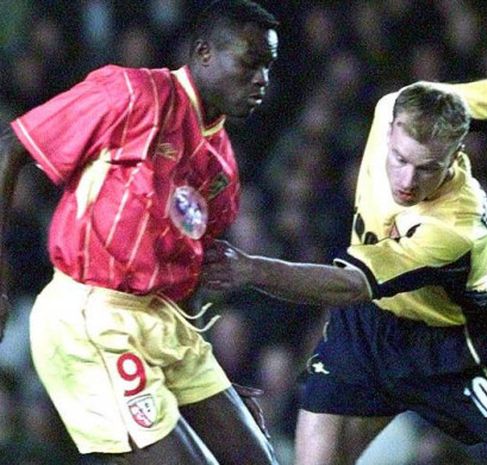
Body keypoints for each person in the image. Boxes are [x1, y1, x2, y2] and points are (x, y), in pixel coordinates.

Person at [202, 78, 487, 464]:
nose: (408, 180)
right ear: (392, 127)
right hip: (365, 330)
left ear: (456, 151)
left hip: (446, 349)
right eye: (399, 159)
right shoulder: (401, 107)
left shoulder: (457, 223)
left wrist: (250, 269)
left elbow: (351, 284)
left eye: (428, 168)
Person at [0, 1, 281, 464]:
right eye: (251, 63)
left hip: (164, 323)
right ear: (205, 53)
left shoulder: (223, 169)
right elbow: (11, 150)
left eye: (268, 67)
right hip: (90, 315)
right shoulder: (131, 95)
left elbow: (182, 279)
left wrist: (213, 389)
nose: (262, 80)